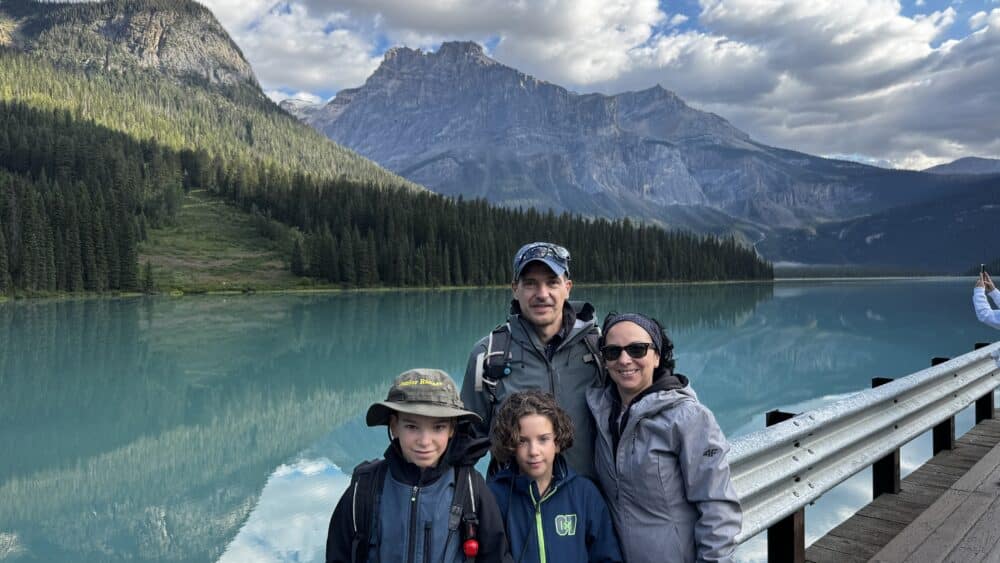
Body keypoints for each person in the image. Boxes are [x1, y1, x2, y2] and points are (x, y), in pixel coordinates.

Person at [586, 313, 741, 563]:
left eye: (637, 349)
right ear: (604, 360)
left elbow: (718, 508)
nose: (624, 360)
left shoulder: (689, 417)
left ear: (657, 355)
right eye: (613, 352)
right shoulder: (599, 412)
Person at [325, 368, 510, 563]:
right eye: (412, 427)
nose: (425, 441)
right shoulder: (363, 489)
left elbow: (496, 557)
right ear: (394, 426)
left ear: (451, 429)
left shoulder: (471, 489)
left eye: (438, 427)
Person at [461, 242, 604, 479]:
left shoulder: (600, 350)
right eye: (530, 283)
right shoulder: (488, 354)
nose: (542, 294)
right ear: (515, 288)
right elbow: (466, 444)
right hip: (513, 507)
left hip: (587, 503)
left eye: (552, 282)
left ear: (567, 287)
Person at [487, 390, 623, 563]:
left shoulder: (584, 493)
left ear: (557, 443)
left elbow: (607, 557)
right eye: (522, 441)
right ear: (510, 444)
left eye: (543, 439)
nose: (534, 451)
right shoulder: (494, 496)